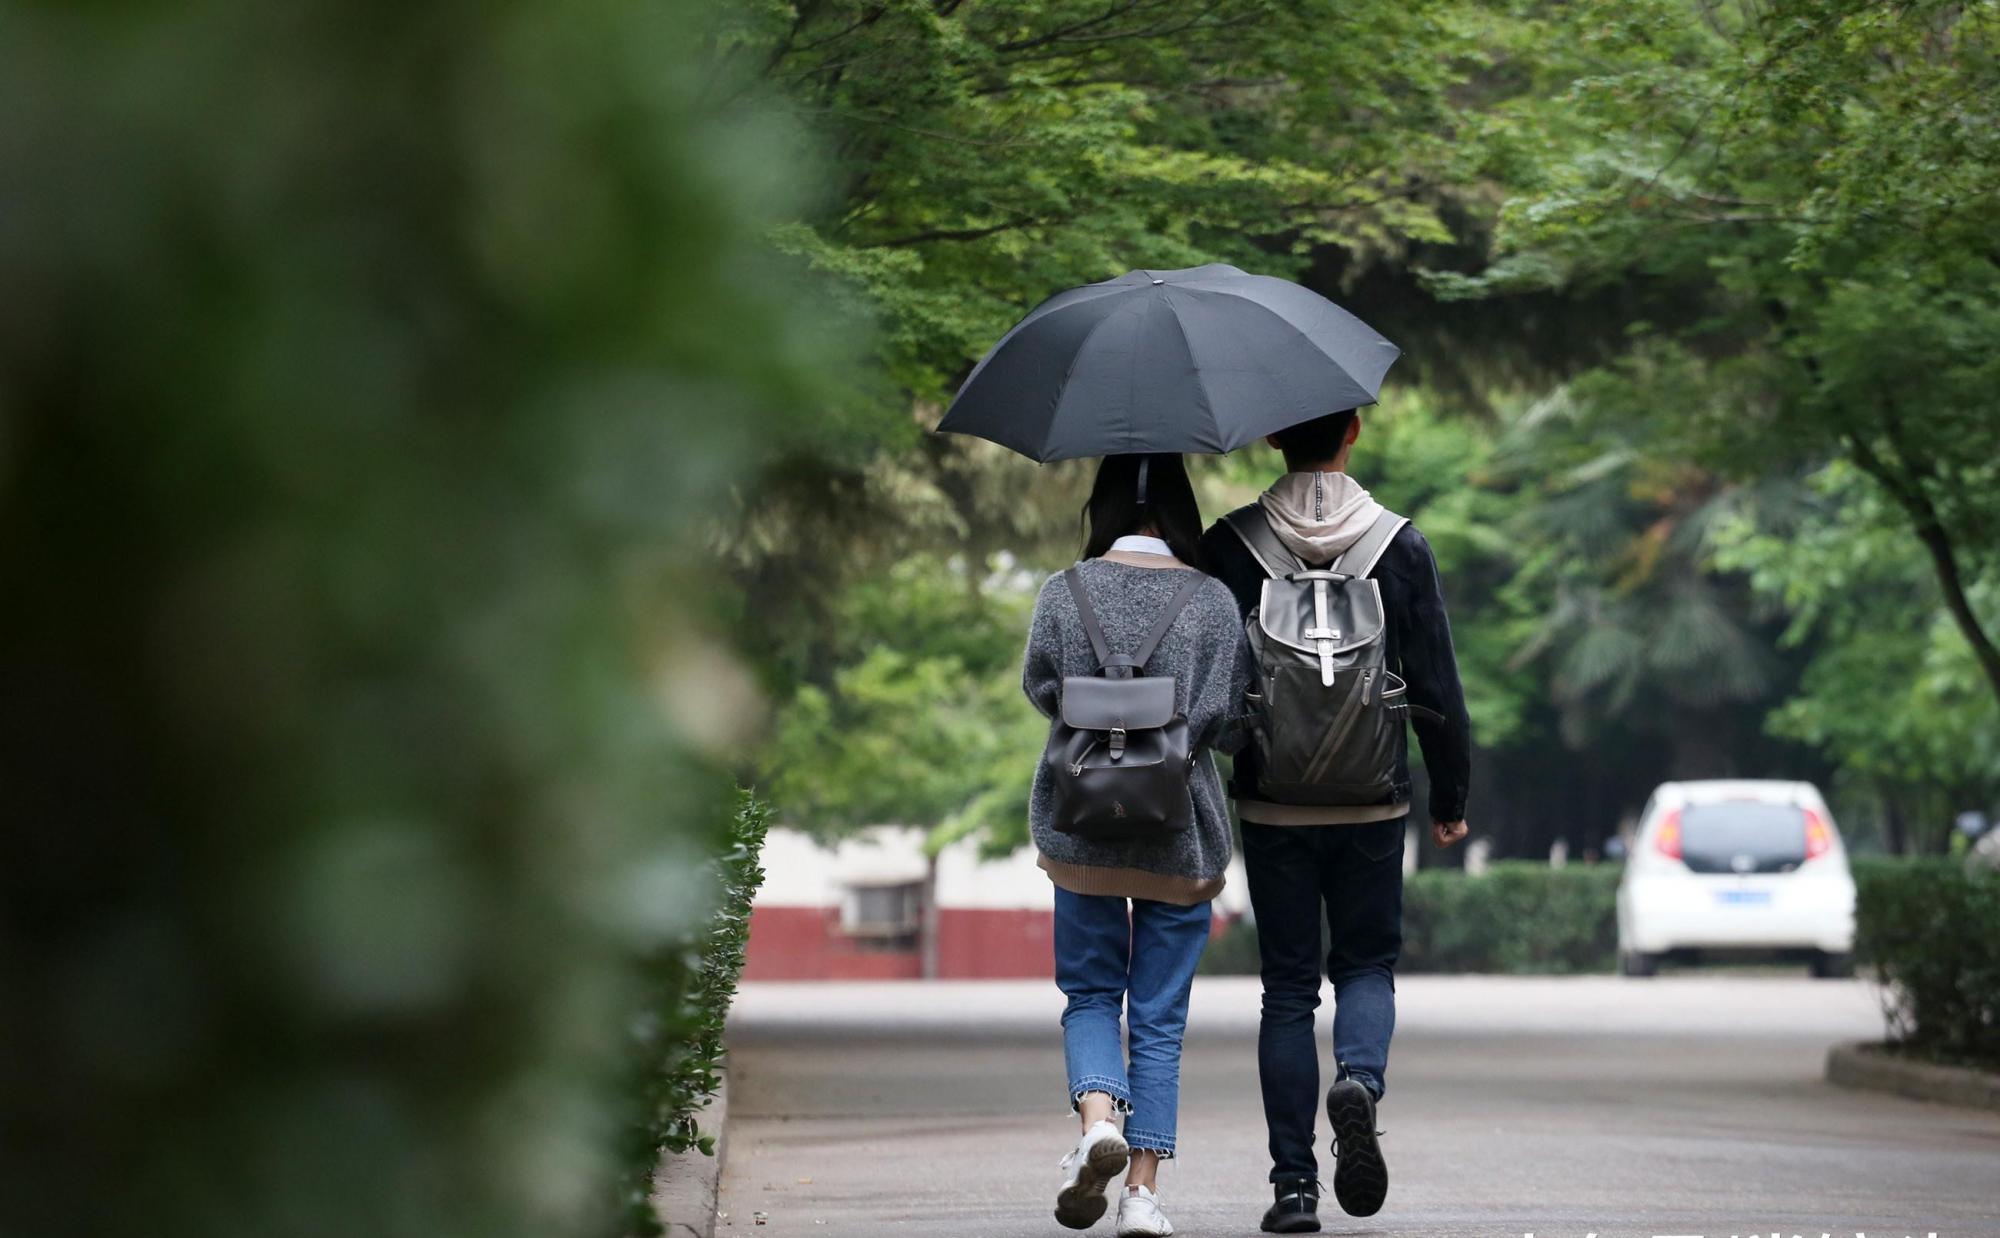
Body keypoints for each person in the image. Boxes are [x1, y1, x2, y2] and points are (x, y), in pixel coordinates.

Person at [1197, 410, 1472, 1232]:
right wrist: (1450, 795)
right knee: (1365, 967)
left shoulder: (1232, 545)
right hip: (1373, 798)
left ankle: (1293, 1190)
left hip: (1274, 801)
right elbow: (1436, 681)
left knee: (1286, 990)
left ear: (1273, 438)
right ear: (1353, 431)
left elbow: (1212, 681)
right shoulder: (1401, 544)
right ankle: (1359, 1081)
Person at [1023, 453, 1251, 1237]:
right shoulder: (1214, 601)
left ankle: (1095, 1123)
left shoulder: (1064, 591)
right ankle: (1144, 1200)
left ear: (1103, 503)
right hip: (1180, 836)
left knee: (1090, 995)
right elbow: (1224, 718)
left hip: (1079, 827)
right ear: (1180, 511)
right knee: (1157, 1019)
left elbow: (1041, 690)